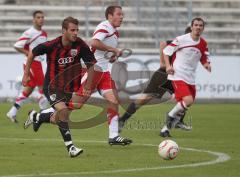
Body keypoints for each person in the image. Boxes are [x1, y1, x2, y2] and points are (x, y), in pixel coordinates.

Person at [22, 16, 96, 157]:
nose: (75, 33)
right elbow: (32, 53)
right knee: (63, 112)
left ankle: (37, 117)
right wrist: (26, 74)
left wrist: (88, 85)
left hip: (70, 88)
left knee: (57, 118)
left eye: (77, 30)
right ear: (64, 31)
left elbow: (91, 64)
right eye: (72, 30)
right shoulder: (52, 45)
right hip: (52, 86)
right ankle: (71, 148)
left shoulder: (80, 45)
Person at [75, 5, 132, 145]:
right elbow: (94, 42)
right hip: (93, 70)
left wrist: (111, 57)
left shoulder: (115, 32)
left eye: (122, 14)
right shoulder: (104, 26)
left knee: (113, 100)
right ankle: (41, 115)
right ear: (110, 16)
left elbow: (101, 51)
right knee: (76, 104)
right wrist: (113, 49)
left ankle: (113, 136)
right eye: (119, 14)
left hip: (104, 71)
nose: (122, 17)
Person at [118, 26, 192, 133]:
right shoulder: (177, 43)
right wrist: (164, 63)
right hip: (163, 76)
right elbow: (163, 43)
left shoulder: (192, 50)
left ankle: (178, 120)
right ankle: (122, 120)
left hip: (177, 77)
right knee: (143, 100)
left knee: (187, 98)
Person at [160, 17, 211, 137]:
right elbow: (166, 51)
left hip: (190, 77)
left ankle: (165, 129)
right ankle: (170, 116)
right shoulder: (181, 39)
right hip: (177, 75)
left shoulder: (203, 43)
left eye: (200, 25)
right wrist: (168, 67)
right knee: (187, 100)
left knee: (188, 103)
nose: (198, 27)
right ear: (191, 27)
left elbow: (204, 57)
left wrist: (207, 65)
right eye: (196, 25)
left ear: (203, 28)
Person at [7, 10, 48, 123]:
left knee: (29, 90)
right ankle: (44, 114)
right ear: (34, 19)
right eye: (38, 17)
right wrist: (28, 53)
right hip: (32, 63)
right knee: (42, 89)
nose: (41, 19)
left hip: (39, 63)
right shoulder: (29, 32)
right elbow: (17, 45)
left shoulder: (44, 33)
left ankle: (12, 112)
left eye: (42, 17)